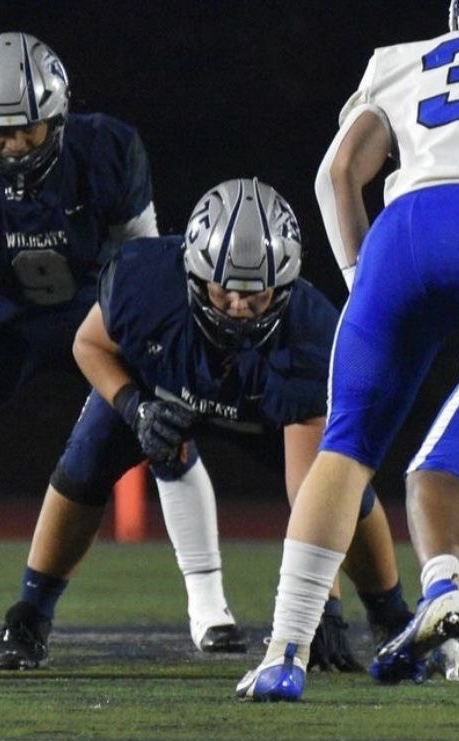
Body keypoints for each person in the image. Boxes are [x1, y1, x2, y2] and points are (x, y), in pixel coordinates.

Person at [0, 177, 413, 670]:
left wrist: (322, 605)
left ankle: (389, 613)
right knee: (82, 465)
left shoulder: (310, 336)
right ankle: (30, 614)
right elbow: (89, 345)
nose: (238, 307)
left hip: (261, 411)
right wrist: (134, 407)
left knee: (343, 486)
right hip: (159, 388)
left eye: (256, 295)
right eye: (224, 291)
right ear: (192, 273)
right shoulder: (147, 279)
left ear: (285, 283)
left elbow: (311, 487)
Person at [236, 2, 459, 702]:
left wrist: (364, 280)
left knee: (346, 446)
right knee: (441, 461)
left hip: (403, 230)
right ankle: (448, 594)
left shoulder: (402, 58)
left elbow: (337, 173)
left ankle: (283, 653)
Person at [0, 30, 249, 655]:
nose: (8, 145)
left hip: (98, 314)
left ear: (55, 117)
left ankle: (207, 605)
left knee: (152, 425)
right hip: (9, 316)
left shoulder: (106, 149)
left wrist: (143, 378)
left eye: (22, 130)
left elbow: (140, 271)